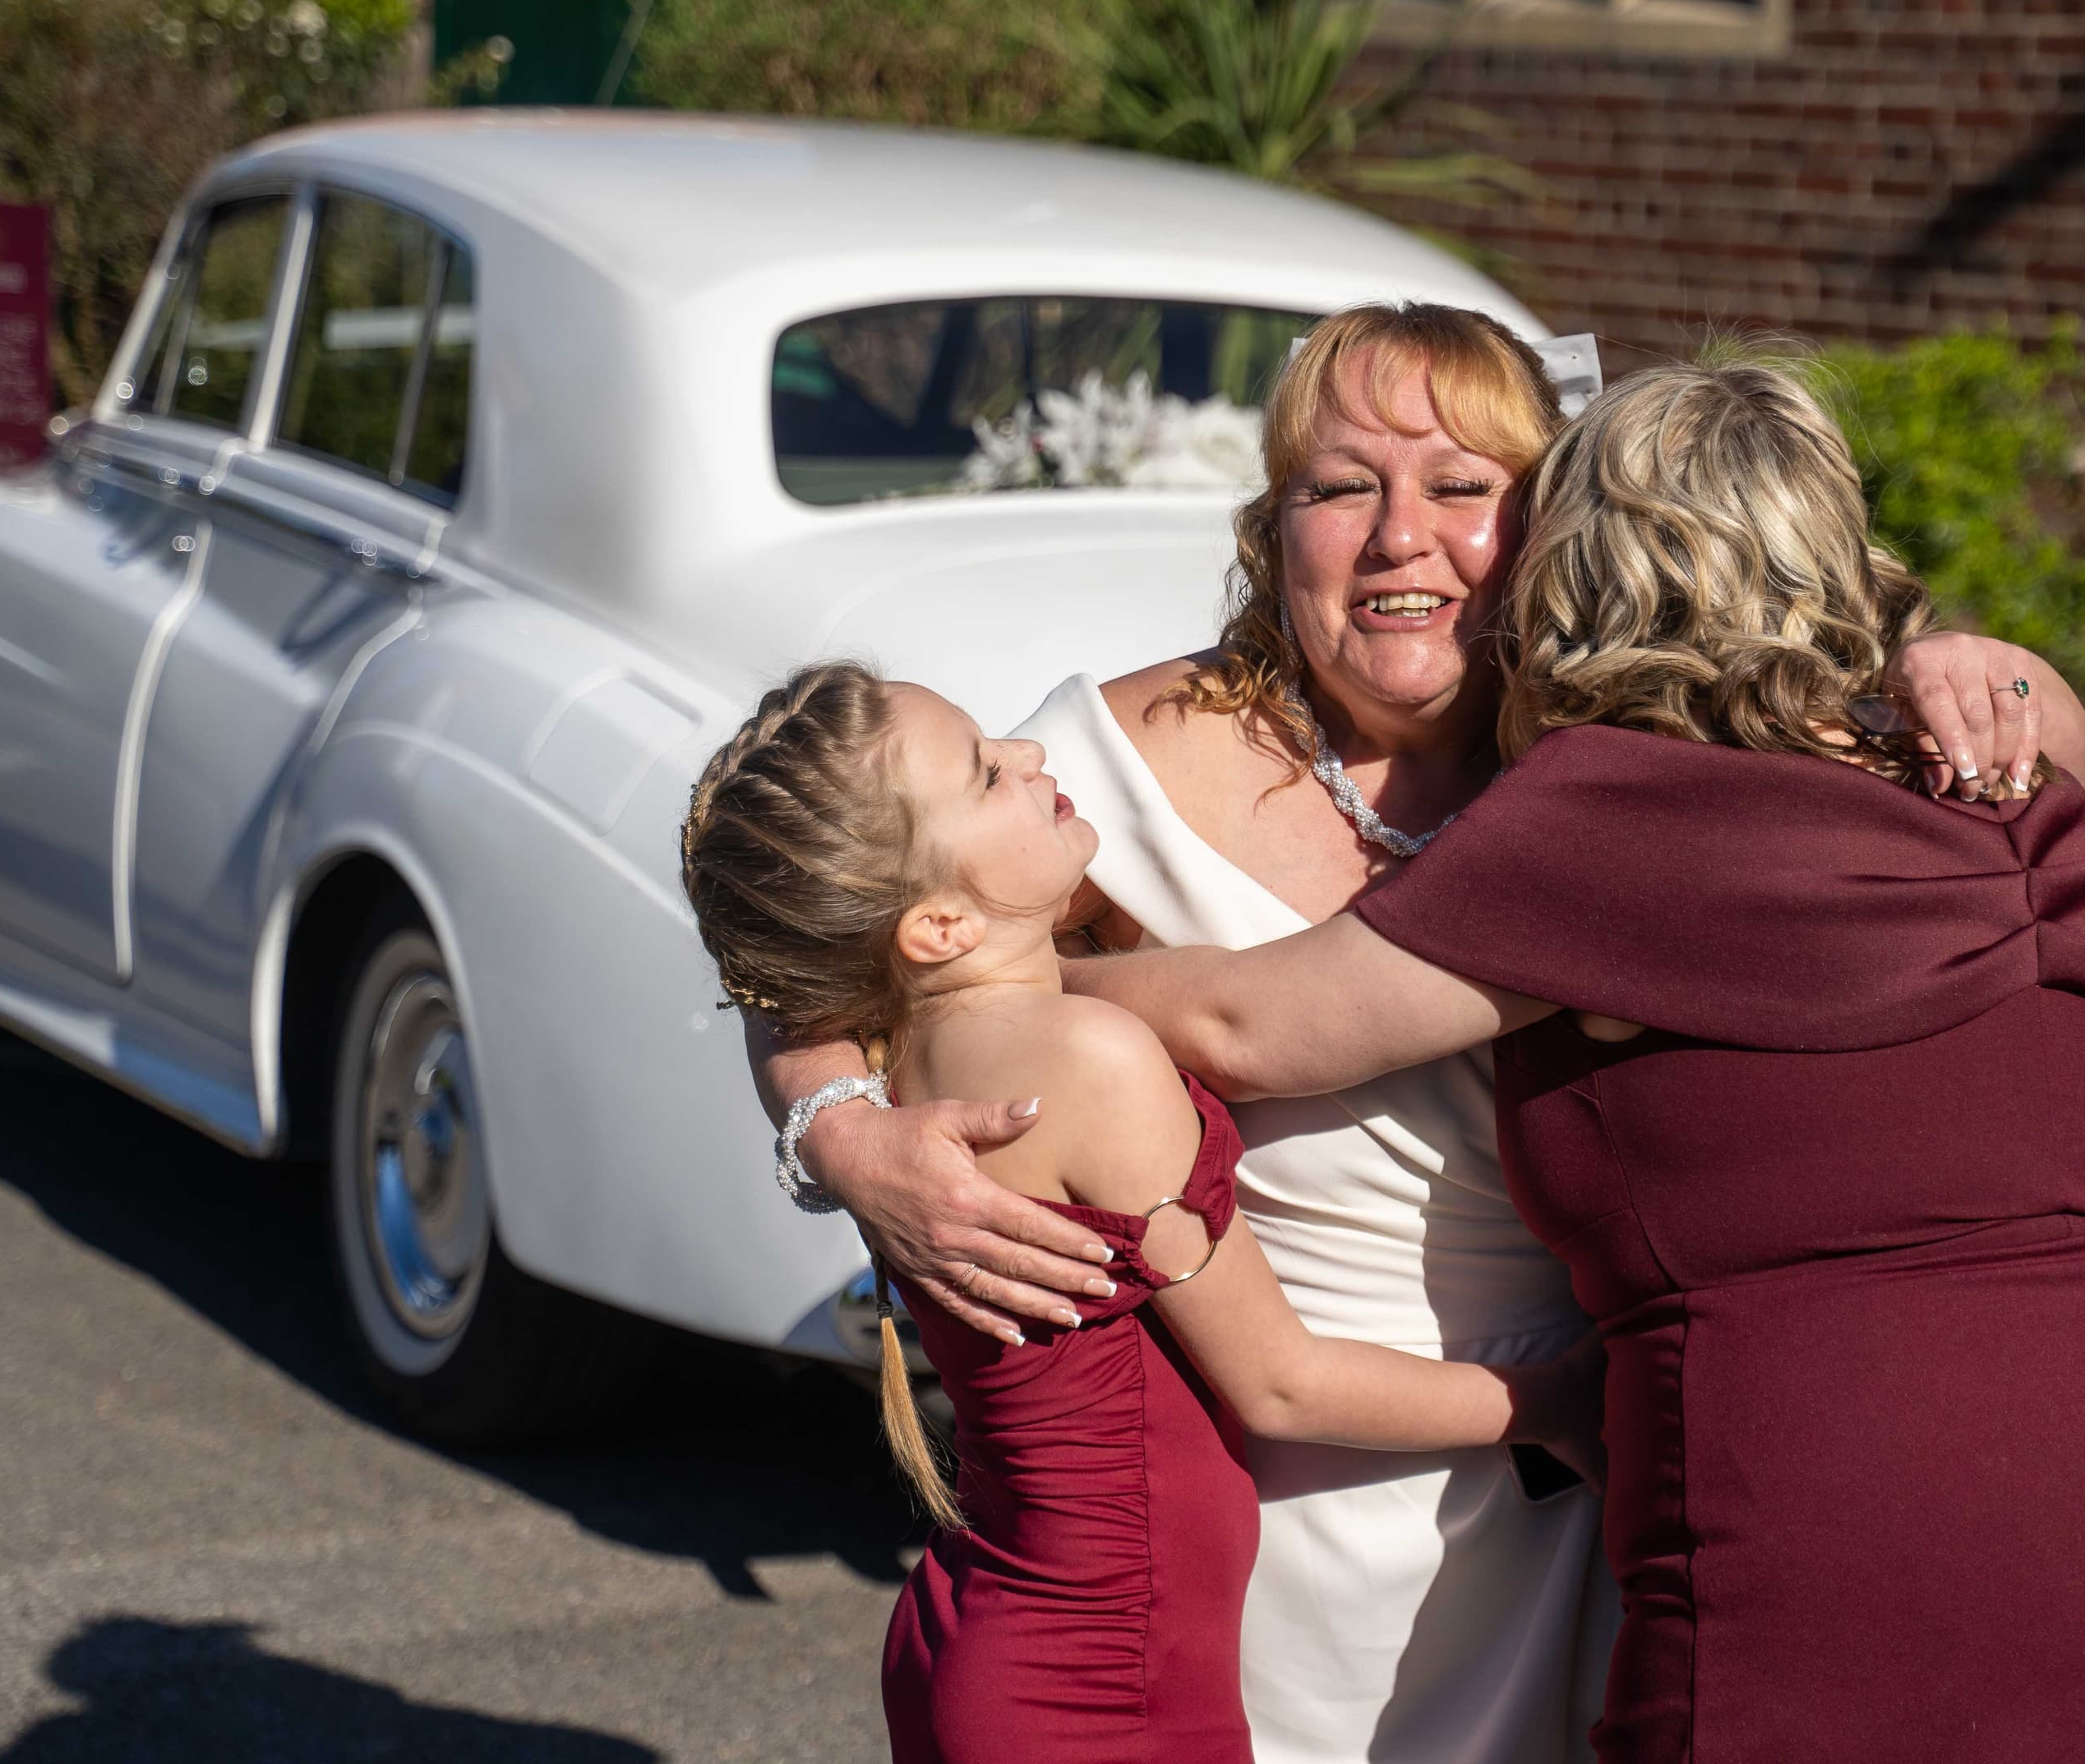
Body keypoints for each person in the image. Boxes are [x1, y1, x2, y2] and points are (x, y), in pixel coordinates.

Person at [762, 304, 2085, 1763]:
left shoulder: (1645, 758)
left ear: (1558, 525)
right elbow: (821, 945)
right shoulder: (1106, 764)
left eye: (1465, 489)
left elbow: (2040, 766)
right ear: (1273, 527)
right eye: (1342, 488)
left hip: (1607, 1494)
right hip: (1280, 1531)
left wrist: (1977, 666)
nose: (1402, 535)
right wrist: (840, 1131)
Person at [1065, 362, 2085, 1762]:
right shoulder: (2007, 772)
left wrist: (1004, 990)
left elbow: (1247, 1029)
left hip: (1834, 1504)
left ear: (1592, 569)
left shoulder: (1628, 814)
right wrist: (1973, 659)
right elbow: (2066, 728)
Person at [680, 663, 1603, 1764]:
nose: (1030, 757)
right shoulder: (1089, 1061)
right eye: (985, 773)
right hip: (1102, 1679)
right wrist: (1559, 1398)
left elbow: (795, 987)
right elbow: (1280, 1383)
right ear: (931, 924)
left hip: (993, 1626)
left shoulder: (908, 1050)